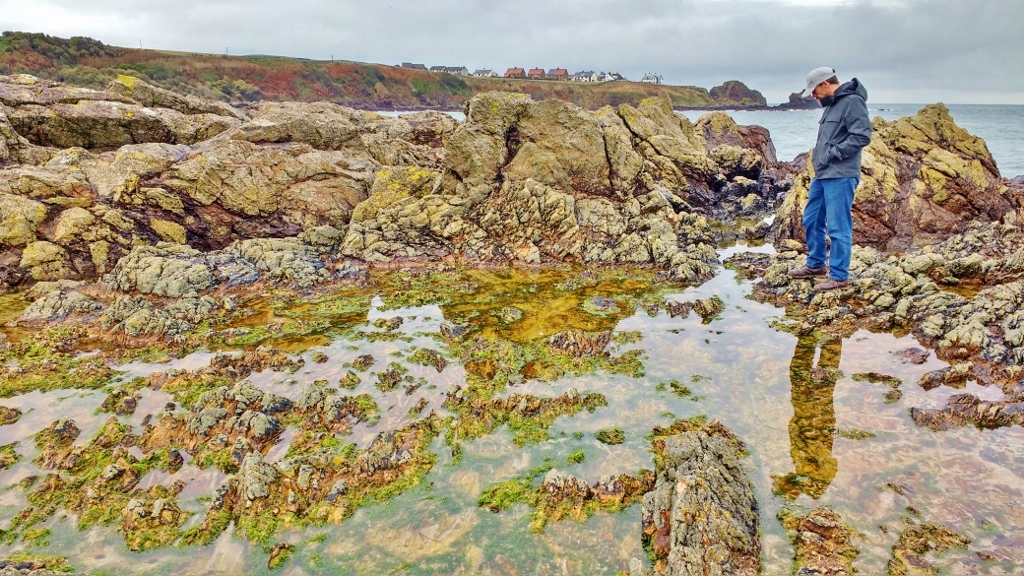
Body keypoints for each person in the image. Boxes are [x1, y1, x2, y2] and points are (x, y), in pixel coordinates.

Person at [789, 67, 872, 291]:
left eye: (814, 90)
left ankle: (839, 276)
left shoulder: (852, 101)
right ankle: (816, 265)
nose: (814, 96)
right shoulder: (832, 104)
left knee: (838, 226)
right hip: (823, 174)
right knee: (811, 219)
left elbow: (862, 136)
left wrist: (833, 154)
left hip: (841, 175)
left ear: (825, 83)